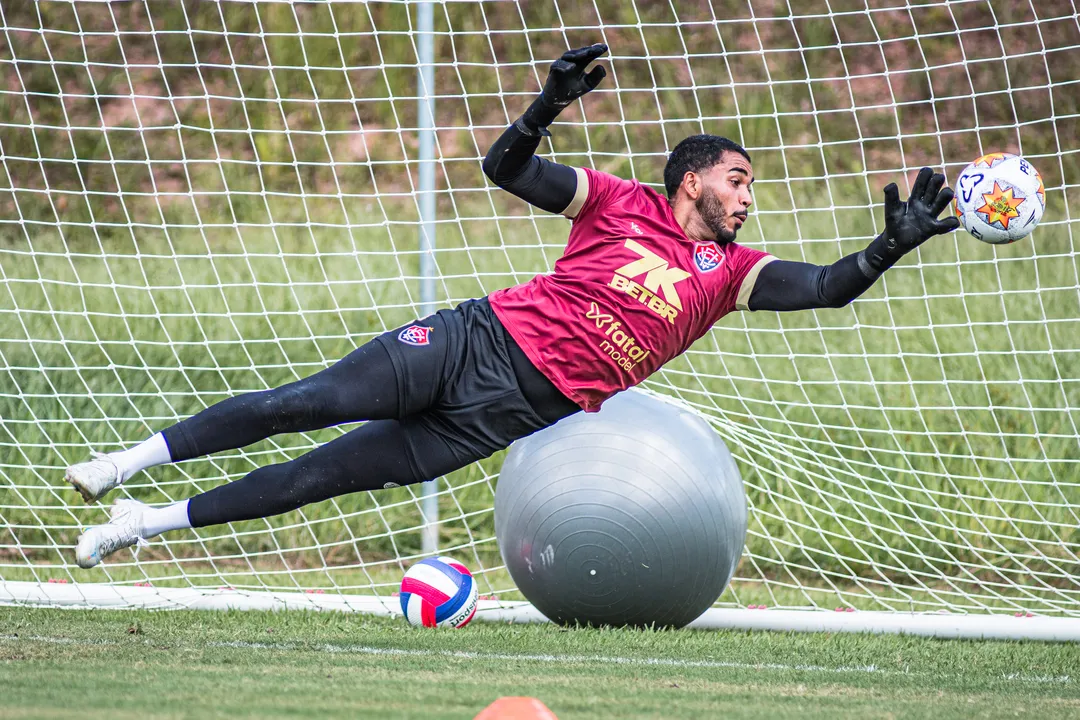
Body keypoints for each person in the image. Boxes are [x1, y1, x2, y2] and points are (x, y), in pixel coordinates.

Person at [70, 44, 959, 568]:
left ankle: (144, 524)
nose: (747, 198)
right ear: (693, 179)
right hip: (469, 345)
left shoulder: (733, 274)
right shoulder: (616, 200)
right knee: (301, 404)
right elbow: (506, 171)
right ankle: (126, 465)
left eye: (750, 188)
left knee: (321, 478)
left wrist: (893, 244)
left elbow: (832, 289)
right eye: (738, 181)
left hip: (508, 414)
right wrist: (548, 103)